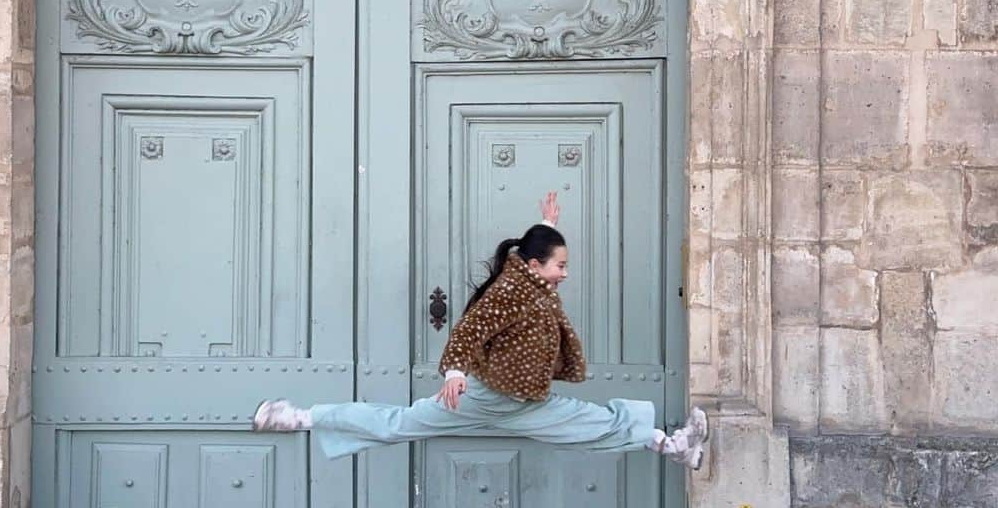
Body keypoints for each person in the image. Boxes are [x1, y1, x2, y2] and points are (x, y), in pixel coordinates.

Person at [253, 192, 708, 468]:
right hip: (483, 397)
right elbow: (468, 331)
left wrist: (546, 226)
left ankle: (674, 446)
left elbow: (529, 257)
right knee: (397, 423)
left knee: (592, 425)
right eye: (560, 266)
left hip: (526, 400)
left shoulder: (528, 275)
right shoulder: (510, 292)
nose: (565, 273)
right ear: (535, 266)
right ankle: (298, 417)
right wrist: (453, 373)